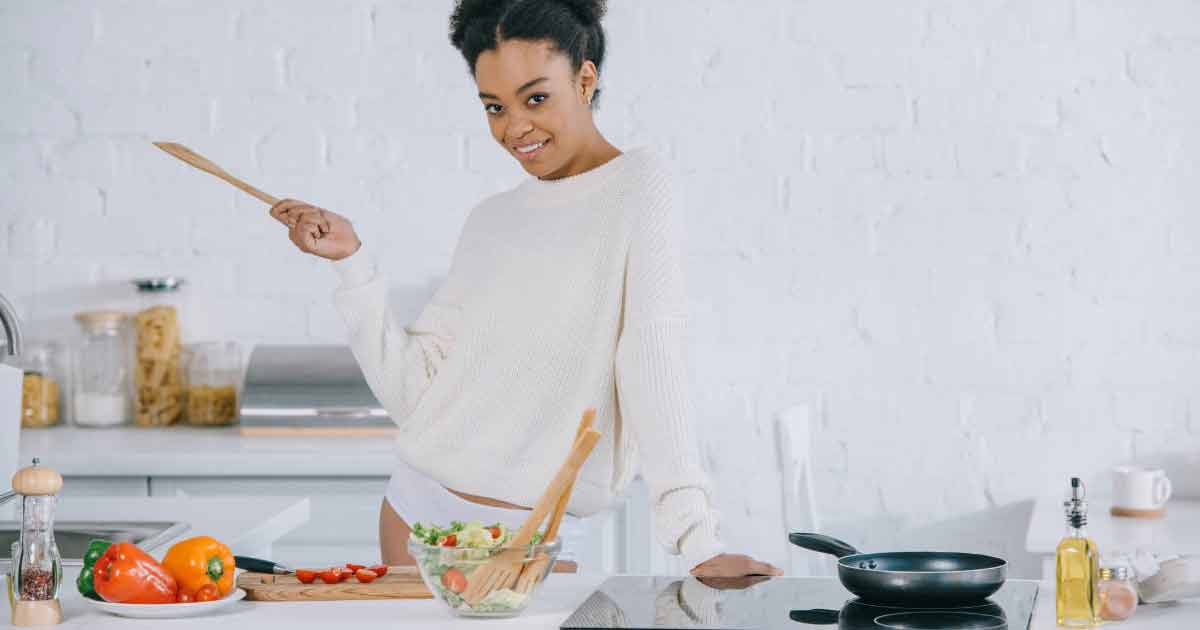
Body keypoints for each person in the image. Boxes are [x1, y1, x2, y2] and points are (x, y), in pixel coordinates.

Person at [268, 0, 781, 579]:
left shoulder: (638, 185)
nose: (514, 128)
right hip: (416, 518)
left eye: (535, 98)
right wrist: (353, 267)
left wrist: (697, 541)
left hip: (540, 541)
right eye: (494, 107)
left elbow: (651, 353)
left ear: (585, 78)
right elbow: (416, 395)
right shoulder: (492, 219)